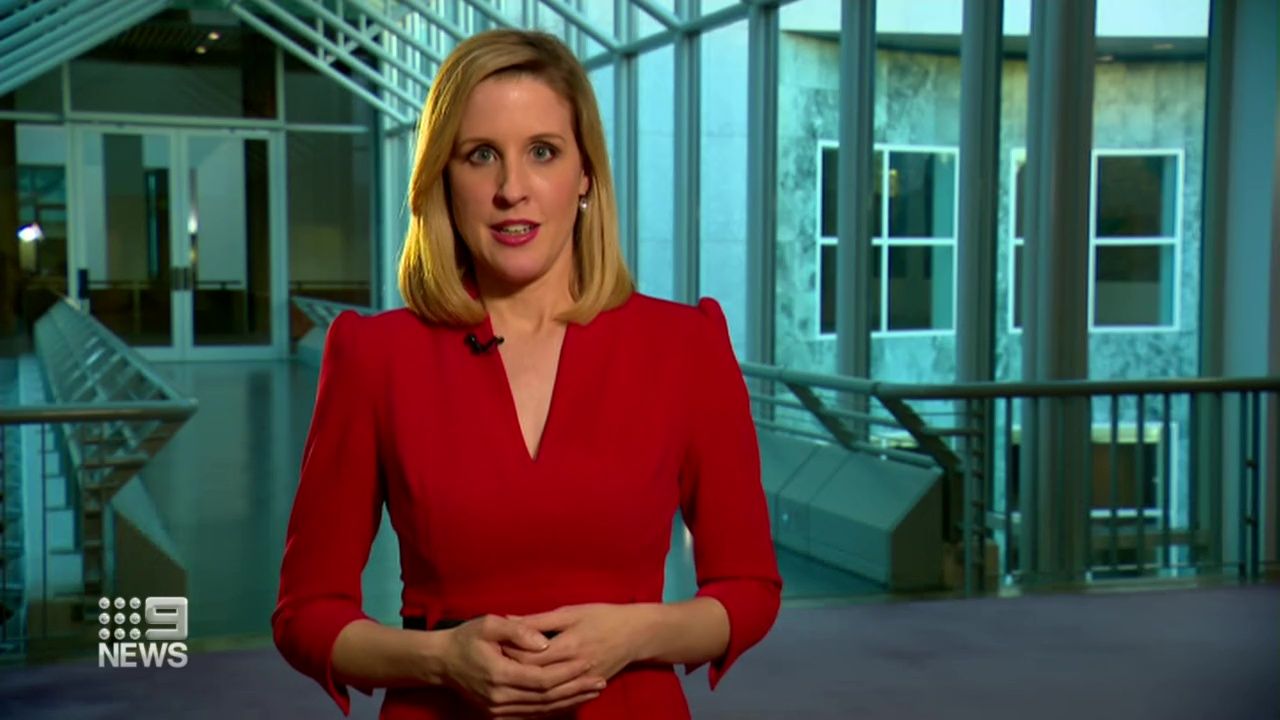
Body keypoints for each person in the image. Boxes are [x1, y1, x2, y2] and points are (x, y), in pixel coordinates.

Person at [272, 29, 781, 720]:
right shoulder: (374, 357)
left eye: (543, 151)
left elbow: (749, 590)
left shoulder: (686, 347)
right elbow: (306, 612)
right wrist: (440, 659)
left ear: (585, 175)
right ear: (443, 180)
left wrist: (635, 635)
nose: (512, 190)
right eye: (481, 155)